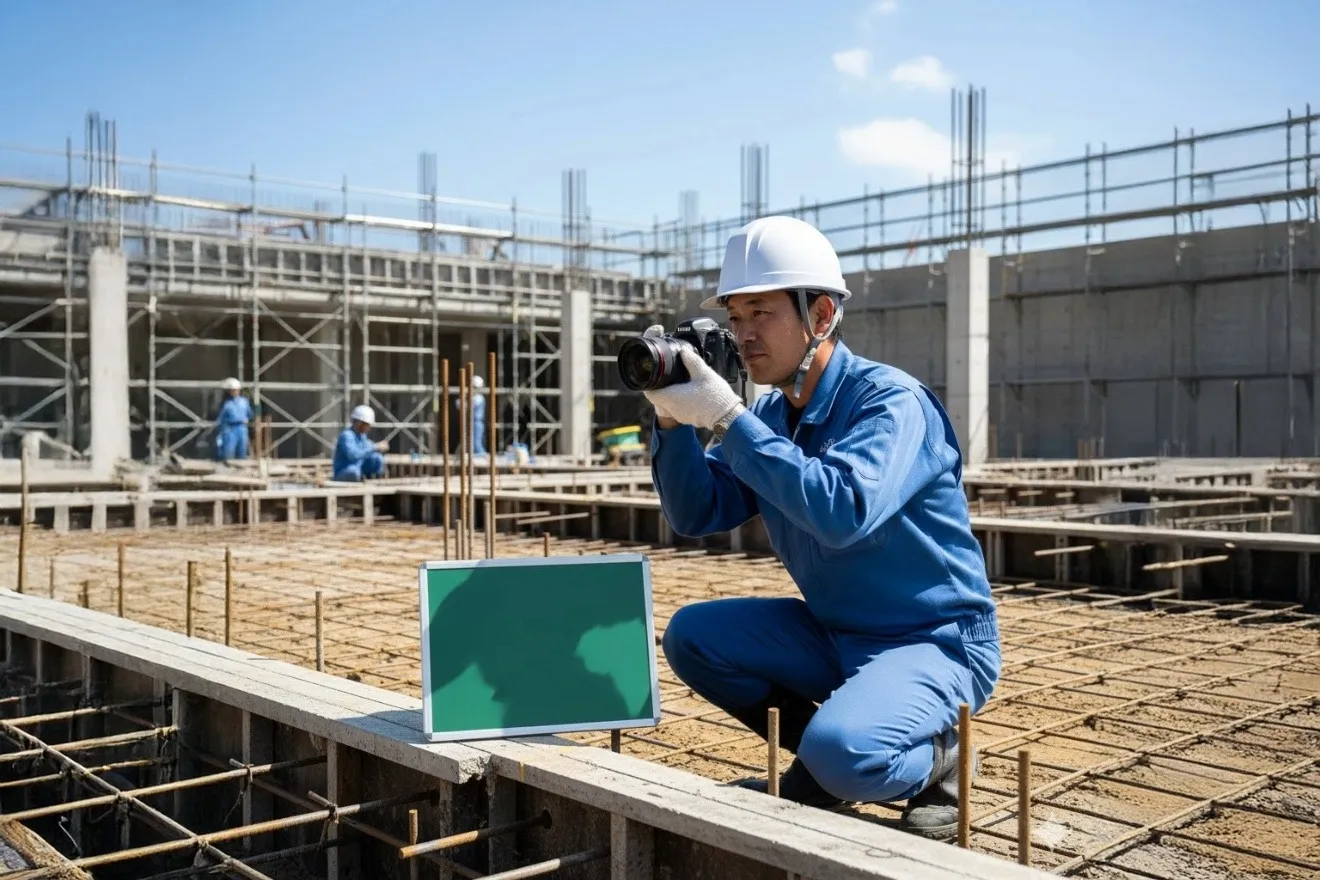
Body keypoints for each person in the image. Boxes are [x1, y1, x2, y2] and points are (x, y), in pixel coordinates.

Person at [644, 215, 1000, 840]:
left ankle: (932, 758)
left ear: (822, 314)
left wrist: (730, 417)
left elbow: (843, 512)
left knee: (845, 753)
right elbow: (697, 512)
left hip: (933, 639)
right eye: (735, 317)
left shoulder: (889, 403)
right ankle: (835, 761)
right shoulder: (773, 415)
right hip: (836, 632)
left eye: (762, 314)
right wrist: (673, 421)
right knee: (693, 637)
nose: (744, 335)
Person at [332, 404, 388, 482]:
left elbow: (368, 448)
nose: (369, 428)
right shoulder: (347, 436)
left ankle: (377, 481)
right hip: (344, 471)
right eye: (367, 425)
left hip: (359, 468)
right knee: (354, 473)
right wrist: (375, 447)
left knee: (377, 458)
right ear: (359, 423)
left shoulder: (362, 436)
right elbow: (353, 455)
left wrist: (379, 447)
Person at [213, 377, 253, 462]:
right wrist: (222, 431)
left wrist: (247, 419)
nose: (234, 392)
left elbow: (249, 414)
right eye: (232, 390)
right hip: (230, 429)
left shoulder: (244, 402)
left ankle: (242, 468)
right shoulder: (227, 404)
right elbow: (221, 419)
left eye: (235, 390)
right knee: (229, 450)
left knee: (242, 450)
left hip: (242, 428)